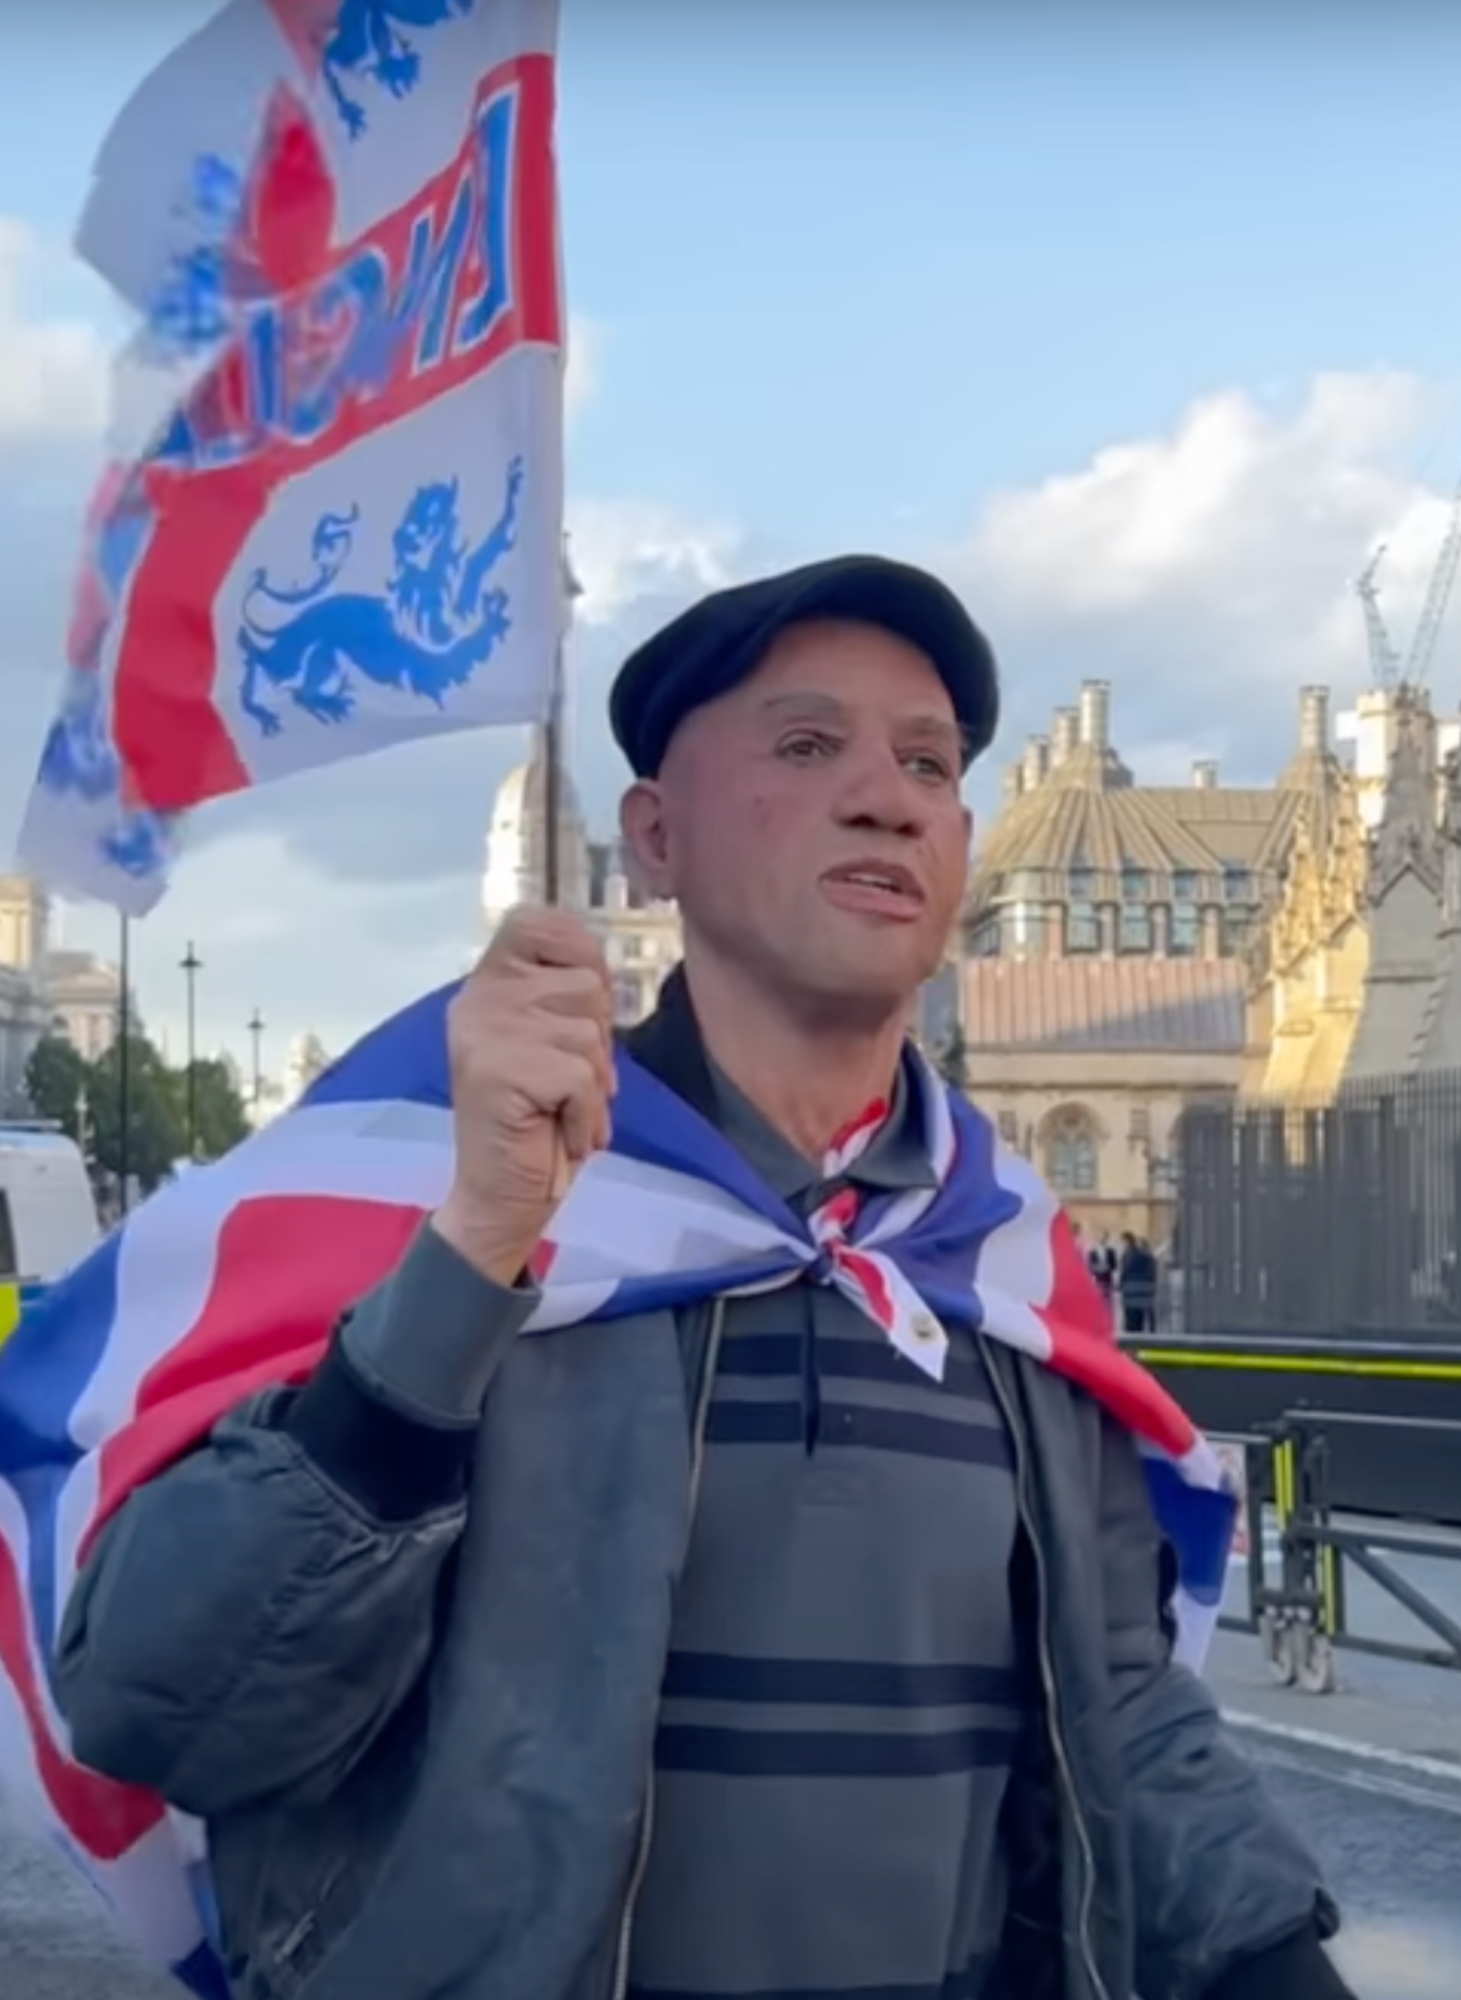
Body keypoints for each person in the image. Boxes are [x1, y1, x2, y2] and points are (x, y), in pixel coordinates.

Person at [54, 556, 1355, 2000]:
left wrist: (1280, 1968)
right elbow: (170, 1709)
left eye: (928, 762)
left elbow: (1124, 1723)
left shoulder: (1003, 1266)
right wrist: (469, 1260)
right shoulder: (440, 1207)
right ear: (653, 839)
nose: (887, 793)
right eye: (807, 746)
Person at [1120, 1229, 1160, 1334]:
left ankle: (1134, 1334)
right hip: (1134, 1288)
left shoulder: (1134, 1255)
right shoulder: (1131, 1254)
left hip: (1133, 1288)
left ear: (1128, 1241)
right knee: (1137, 1315)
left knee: (1134, 1315)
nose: (1122, 1245)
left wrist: (1121, 1284)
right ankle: (1139, 1332)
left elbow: (1125, 1272)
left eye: (1123, 1242)